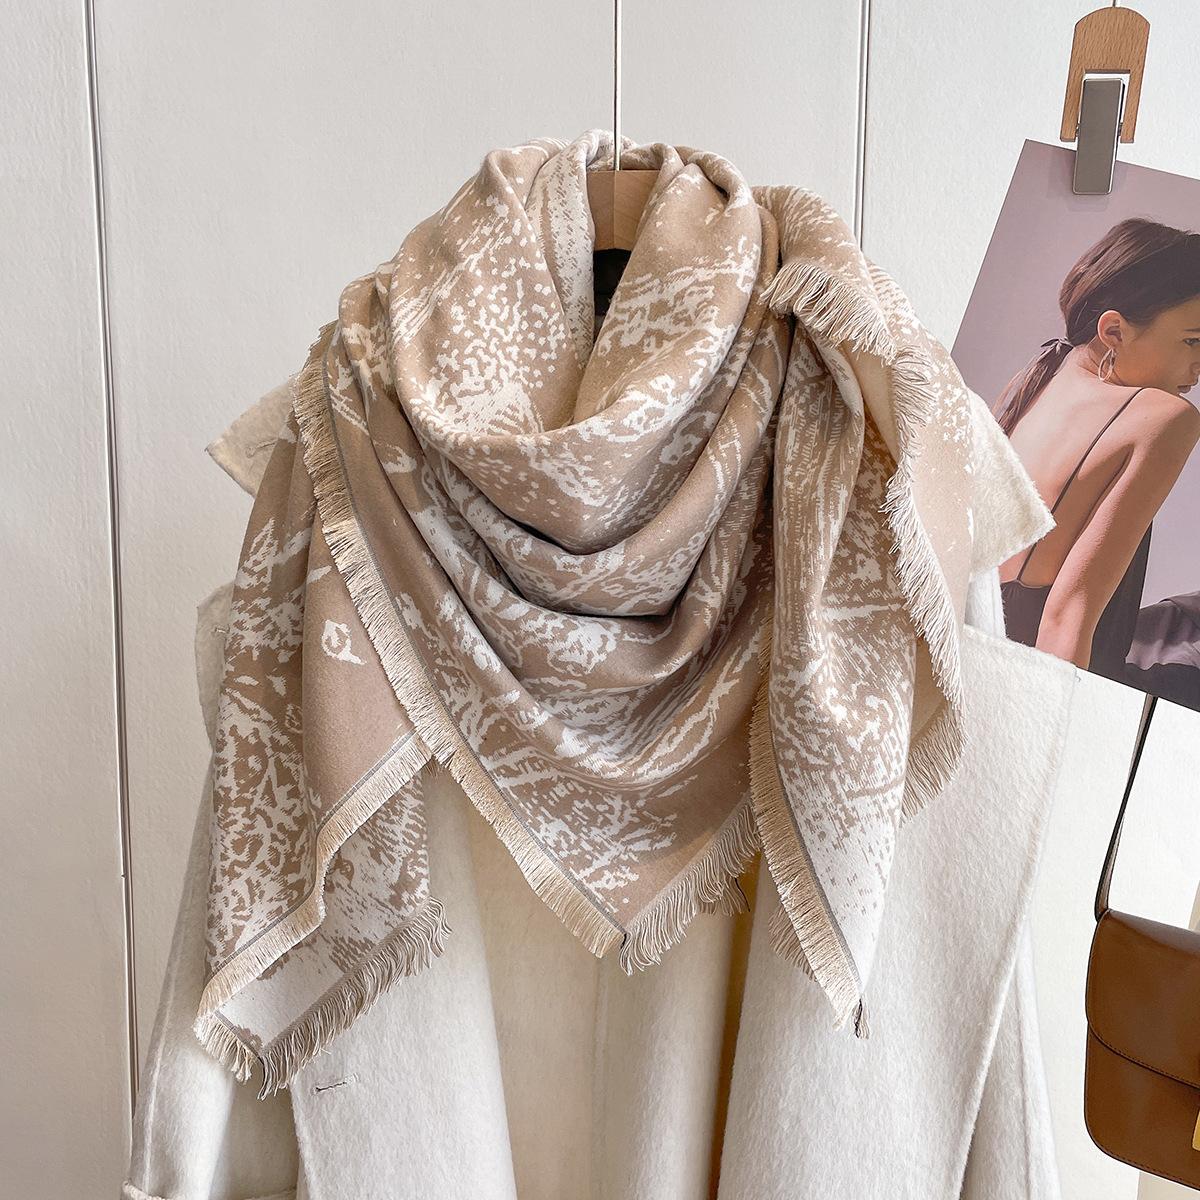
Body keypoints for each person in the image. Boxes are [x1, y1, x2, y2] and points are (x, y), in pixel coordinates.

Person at [996, 217, 1200, 681]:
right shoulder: (1165, 418)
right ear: (1114, 332)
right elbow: (1068, 613)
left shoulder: (1045, 372)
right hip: (1053, 671)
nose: (1199, 364)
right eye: (1192, 341)